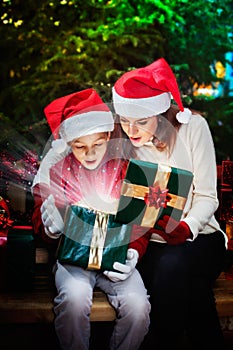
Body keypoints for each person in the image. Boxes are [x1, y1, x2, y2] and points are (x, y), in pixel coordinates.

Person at [110, 58, 228, 350]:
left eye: (141, 121)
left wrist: (187, 227)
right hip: (152, 245)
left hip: (201, 239)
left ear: (160, 113)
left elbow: (207, 196)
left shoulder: (193, 128)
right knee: (193, 288)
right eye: (125, 121)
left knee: (174, 266)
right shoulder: (125, 142)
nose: (131, 129)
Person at [32, 88, 151, 350]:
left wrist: (134, 253)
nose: (90, 154)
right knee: (73, 301)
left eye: (97, 144)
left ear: (108, 135)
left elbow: (140, 222)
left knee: (139, 306)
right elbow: (40, 221)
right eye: (80, 146)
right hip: (73, 263)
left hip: (115, 262)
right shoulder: (57, 172)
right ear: (68, 144)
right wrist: (50, 229)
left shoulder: (127, 170)